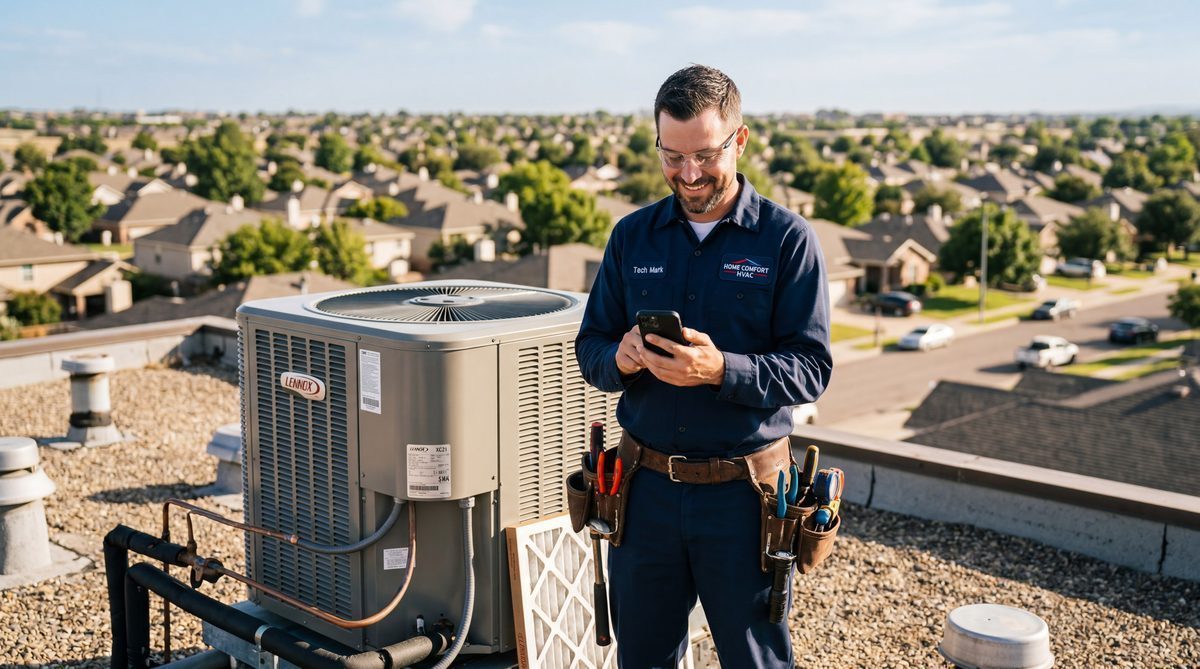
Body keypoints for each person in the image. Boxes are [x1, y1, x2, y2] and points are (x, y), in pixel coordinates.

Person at [575, 64, 833, 668]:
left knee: (755, 660)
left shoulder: (787, 241)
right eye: (672, 156)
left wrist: (722, 371)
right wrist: (620, 355)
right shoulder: (631, 237)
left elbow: (811, 368)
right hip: (644, 493)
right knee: (642, 658)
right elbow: (591, 347)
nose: (689, 175)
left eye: (705, 156)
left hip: (744, 498)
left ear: (739, 141)